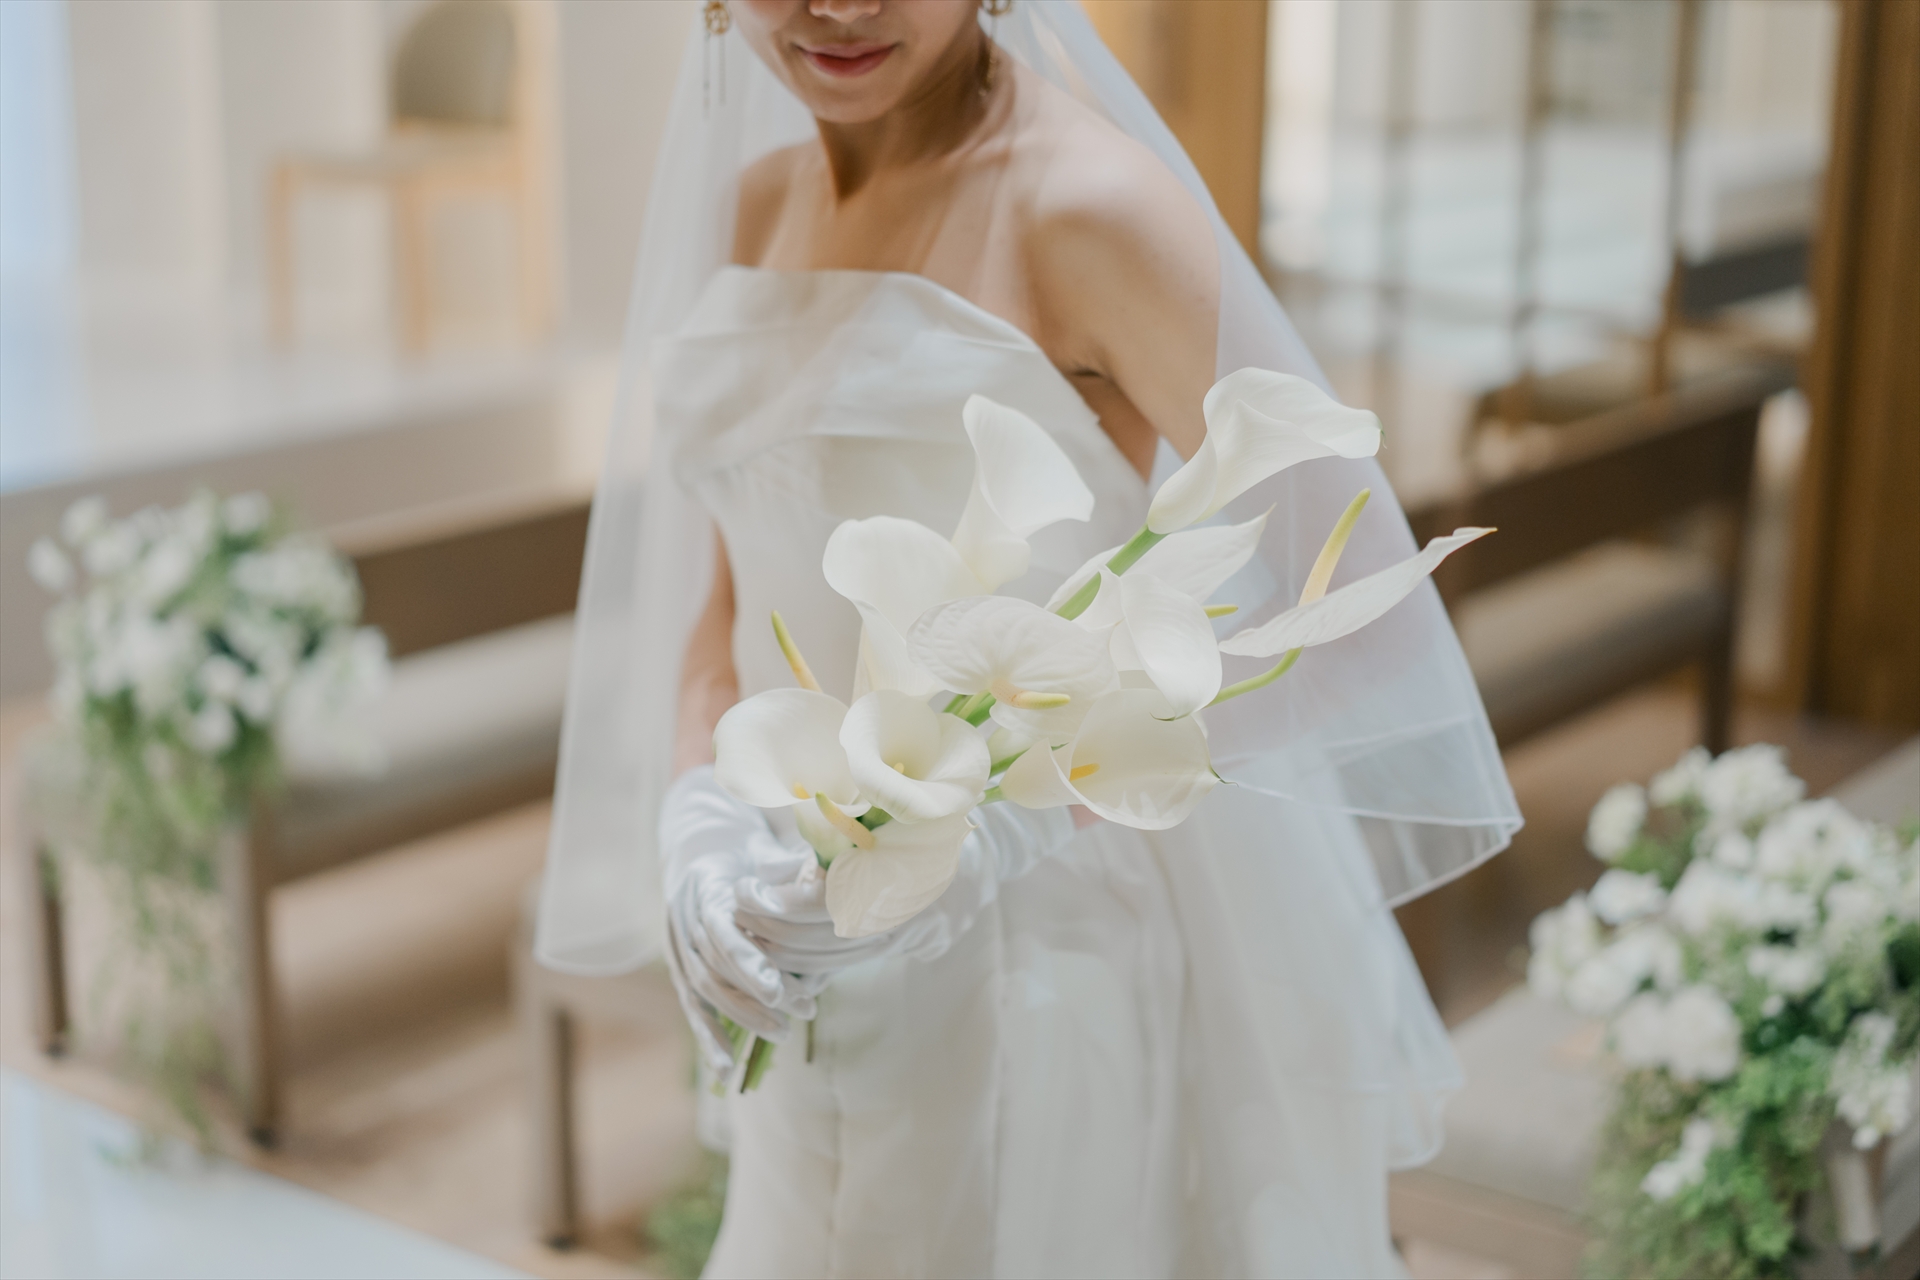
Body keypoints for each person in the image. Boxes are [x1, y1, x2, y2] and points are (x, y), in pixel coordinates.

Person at [536, 2, 1522, 1276]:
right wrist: (702, 819)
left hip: (1030, 961)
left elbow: (1369, 604)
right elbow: (725, 599)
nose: (842, 4)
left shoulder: (1090, 207)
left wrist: (1013, 821)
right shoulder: (751, 210)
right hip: (810, 936)